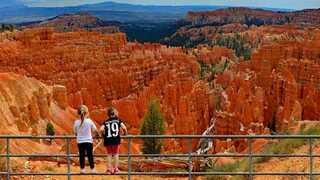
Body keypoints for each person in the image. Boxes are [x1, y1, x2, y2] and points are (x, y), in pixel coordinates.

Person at [100, 107, 128, 174]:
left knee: (109, 154)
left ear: (108, 114)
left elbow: (101, 129)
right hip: (116, 140)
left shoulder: (106, 121)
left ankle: (109, 170)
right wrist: (125, 134)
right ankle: (116, 169)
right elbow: (124, 128)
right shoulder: (118, 120)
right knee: (116, 154)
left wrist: (103, 135)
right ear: (115, 113)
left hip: (108, 140)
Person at [73, 105, 99, 174]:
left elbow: (75, 132)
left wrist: (78, 135)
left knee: (81, 156)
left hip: (80, 142)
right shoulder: (89, 121)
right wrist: (97, 136)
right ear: (87, 113)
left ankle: (82, 169)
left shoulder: (76, 122)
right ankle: (92, 169)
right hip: (88, 141)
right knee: (90, 155)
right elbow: (95, 130)